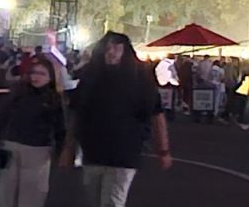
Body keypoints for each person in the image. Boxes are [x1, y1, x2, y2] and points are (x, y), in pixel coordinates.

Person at [61, 32, 171, 207]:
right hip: (93, 152)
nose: (111, 52)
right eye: (107, 47)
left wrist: (163, 150)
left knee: (112, 202)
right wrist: (69, 148)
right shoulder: (90, 78)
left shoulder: (141, 80)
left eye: (116, 47)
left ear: (125, 51)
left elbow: (157, 116)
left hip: (124, 153)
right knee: (94, 200)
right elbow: (76, 114)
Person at [0, 57, 66, 207]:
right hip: (10, 147)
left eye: (41, 73)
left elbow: (60, 128)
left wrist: (60, 151)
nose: (36, 77)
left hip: (37, 152)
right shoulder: (18, 93)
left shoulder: (54, 99)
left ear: (51, 77)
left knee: (31, 197)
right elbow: (1, 116)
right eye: (33, 73)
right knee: (5, 195)